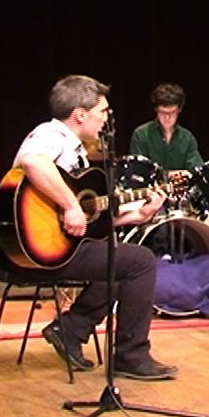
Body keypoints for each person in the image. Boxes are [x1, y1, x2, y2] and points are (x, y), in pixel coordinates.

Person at [14, 74, 176, 380]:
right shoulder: (52, 133)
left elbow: (92, 219)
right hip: (39, 249)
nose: (106, 118)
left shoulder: (76, 150)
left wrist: (140, 214)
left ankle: (70, 330)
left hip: (63, 245)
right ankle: (131, 356)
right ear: (80, 114)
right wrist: (70, 206)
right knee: (140, 261)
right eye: (102, 111)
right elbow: (33, 162)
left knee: (120, 258)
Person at [129, 83, 203, 173]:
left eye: (172, 112)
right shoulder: (141, 135)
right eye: (162, 112)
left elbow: (197, 171)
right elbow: (138, 171)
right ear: (156, 109)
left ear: (179, 110)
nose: (167, 117)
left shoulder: (187, 138)